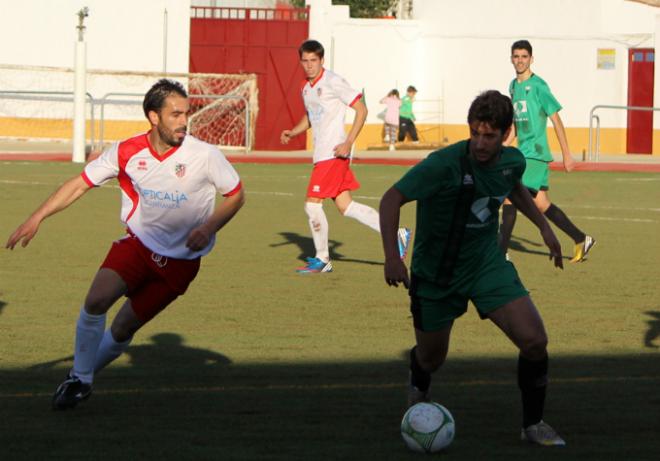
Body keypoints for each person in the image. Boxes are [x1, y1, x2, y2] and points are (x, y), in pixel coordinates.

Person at [5, 79, 245, 410]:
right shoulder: (126, 151)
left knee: (122, 327)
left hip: (181, 264)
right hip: (139, 245)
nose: (183, 121)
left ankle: (81, 377)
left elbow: (236, 195)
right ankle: (80, 379)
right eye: (174, 114)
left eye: (185, 114)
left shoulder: (205, 155)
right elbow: (79, 184)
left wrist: (209, 226)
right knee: (96, 300)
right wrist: (37, 218)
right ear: (153, 117)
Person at [380, 90, 566, 446]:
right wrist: (392, 256)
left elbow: (512, 184)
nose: (481, 144)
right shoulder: (443, 164)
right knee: (432, 358)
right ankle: (418, 388)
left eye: (490, 136)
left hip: (485, 265)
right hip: (437, 275)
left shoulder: (512, 160)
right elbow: (392, 198)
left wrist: (543, 226)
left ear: (506, 133)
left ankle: (533, 424)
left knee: (534, 340)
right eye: (475, 134)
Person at [280, 39, 410, 273]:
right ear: (300, 61)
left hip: (333, 153)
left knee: (312, 205)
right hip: (322, 155)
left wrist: (348, 142)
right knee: (346, 206)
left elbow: (361, 109)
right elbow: (311, 116)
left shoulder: (333, 81)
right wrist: (293, 131)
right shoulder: (305, 87)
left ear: (321, 60)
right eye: (305, 61)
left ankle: (322, 259)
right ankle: (397, 233)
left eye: (313, 60)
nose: (309, 65)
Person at [500, 39, 594, 263]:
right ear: (511, 59)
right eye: (516, 56)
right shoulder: (513, 86)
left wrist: (567, 155)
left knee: (509, 198)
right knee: (542, 204)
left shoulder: (540, 86)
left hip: (536, 153)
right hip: (524, 151)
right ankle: (581, 238)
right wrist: (503, 146)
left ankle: (500, 252)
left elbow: (556, 120)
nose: (520, 60)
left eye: (524, 56)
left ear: (532, 59)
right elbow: (515, 125)